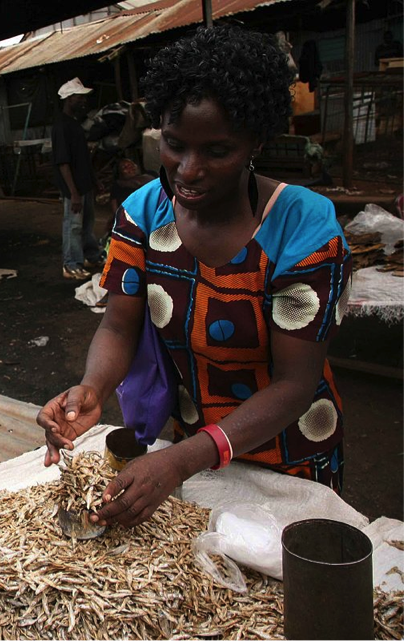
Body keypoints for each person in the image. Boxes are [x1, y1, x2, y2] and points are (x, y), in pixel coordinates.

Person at [37, 26, 352, 529]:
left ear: (257, 141)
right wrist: (92, 388)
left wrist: (182, 460)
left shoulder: (303, 227)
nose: (188, 169)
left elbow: (296, 384)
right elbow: (119, 327)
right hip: (194, 447)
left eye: (217, 151)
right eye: (174, 144)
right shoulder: (143, 215)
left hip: (291, 458)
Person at [52, 77, 103, 280]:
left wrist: (94, 180)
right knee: (73, 226)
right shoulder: (61, 127)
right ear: (69, 99)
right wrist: (73, 193)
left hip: (84, 184)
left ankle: (91, 255)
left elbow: (82, 158)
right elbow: (63, 162)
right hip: (74, 188)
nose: (83, 101)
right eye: (79, 97)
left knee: (87, 224)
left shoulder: (75, 125)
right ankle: (71, 264)